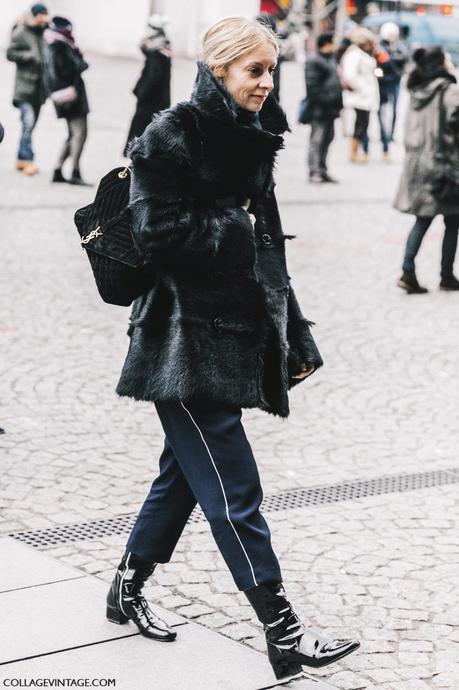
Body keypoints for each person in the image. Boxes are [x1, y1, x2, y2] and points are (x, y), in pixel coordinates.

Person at [106, 16, 359, 683]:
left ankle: (125, 587)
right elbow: (156, 232)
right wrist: (234, 227)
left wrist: (292, 334)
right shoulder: (172, 135)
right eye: (254, 70)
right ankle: (284, 632)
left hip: (232, 334)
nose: (265, 82)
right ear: (219, 69)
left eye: (271, 69)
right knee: (233, 488)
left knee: (184, 478)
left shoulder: (254, 137)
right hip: (180, 343)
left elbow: (268, 255)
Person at [395, 46, 459, 293]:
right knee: (453, 221)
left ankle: (408, 270)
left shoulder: (417, 89)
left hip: (418, 164)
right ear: (440, 63)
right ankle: (446, 275)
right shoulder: (449, 91)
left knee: (422, 219)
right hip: (445, 166)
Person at [44, 16, 91, 185]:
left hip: (63, 96)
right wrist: (79, 56)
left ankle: (58, 169)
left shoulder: (53, 45)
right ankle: (75, 172)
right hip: (71, 97)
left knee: (72, 134)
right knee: (80, 134)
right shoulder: (61, 46)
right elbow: (73, 68)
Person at [6, 3, 49, 176]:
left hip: (39, 89)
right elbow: (10, 53)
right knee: (28, 124)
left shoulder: (43, 32)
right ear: (34, 15)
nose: (44, 18)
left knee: (30, 126)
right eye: (41, 14)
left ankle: (20, 159)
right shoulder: (22, 32)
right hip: (24, 87)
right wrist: (28, 57)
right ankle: (28, 160)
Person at [123, 15, 171, 157]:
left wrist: (142, 92)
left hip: (151, 98)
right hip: (156, 97)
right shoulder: (160, 45)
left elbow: (154, 76)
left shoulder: (157, 49)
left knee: (143, 127)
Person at [305, 32, 343, 183]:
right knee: (317, 140)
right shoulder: (314, 61)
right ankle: (314, 171)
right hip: (320, 109)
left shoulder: (330, 58)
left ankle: (322, 169)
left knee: (327, 139)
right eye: (333, 42)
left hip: (331, 109)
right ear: (326, 44)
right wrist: (325, 101)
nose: (335, 45)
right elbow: (312, 87)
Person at [341, 27, 379, 163]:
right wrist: (362, 88)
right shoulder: (354, 54)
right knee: (359, 124)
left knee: (362, 124)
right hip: (359, 97)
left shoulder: (361, 53)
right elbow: (350, 75)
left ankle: (356, 151)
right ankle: (353, 153)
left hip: (364, 97)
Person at [379, 22, 408, 140]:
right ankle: (383, 133)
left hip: (395, 81)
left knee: (395, 109)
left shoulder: (399, 46)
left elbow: (405, 57)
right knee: (383, 108)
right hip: (384, 82)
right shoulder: (380, 47)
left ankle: (391, 133)